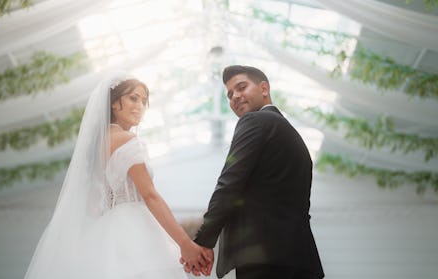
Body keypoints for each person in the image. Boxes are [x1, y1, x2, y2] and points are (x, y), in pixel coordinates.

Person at [24, 73, 212, 279]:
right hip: (136, 231)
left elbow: (92, 205)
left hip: (107, 232)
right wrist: (185, 244)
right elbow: (150, 196)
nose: (140, 105)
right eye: (133, 98)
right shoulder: (127, 140)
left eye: (144, 101)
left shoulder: (96, 147)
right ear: (114, 103)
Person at [184, 65, 324, 279]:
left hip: (266, 259)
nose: (235, 97)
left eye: (241, 87)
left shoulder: (254, 121)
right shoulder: (292, 136)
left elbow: (229, 183)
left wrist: (203, 240)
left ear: (264, 88)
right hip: (301, 258)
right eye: (230, 94)